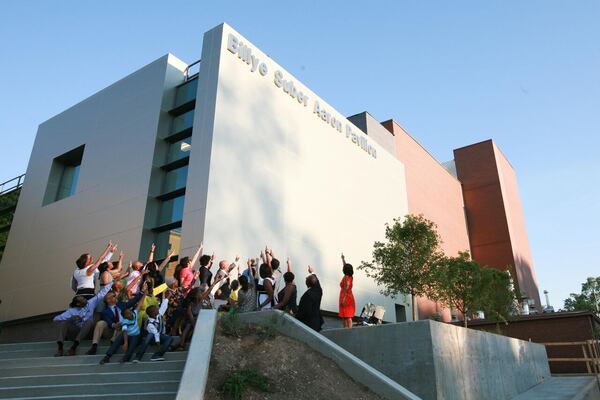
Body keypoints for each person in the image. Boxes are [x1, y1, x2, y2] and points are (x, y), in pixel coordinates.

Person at [53, 283, 113, 356]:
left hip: (87, 331)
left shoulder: (90, 303)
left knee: (88, 322)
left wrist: (112, 282)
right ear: (78, 304)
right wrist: (71, 319)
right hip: (75, 331)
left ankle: (74, 347)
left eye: (84, 298)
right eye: (82, 299)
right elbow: (55, 320)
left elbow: (101, 293)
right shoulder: (71, 311)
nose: (85, 300)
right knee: (64, 322)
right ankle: (60, 348)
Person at [100, 284, 147, 364]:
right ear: (124, 316)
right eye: (109, 298)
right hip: (121, 332)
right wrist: (125, 342)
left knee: (133, 342)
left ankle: (126, 358)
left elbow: (138, 303)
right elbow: (124, 332)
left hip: (135, 336)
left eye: (113, 296)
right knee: (121, 338)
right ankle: (107, 356)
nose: (129, 313)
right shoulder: (125, 320)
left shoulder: (133, 312)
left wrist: (144, 293)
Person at [86, 289, 144, 355]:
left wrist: (142, 292)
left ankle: (114, 343)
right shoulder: (105, 311)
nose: (112, 298)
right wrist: (114, 325)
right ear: (106, 301)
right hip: (111, 331)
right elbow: (108, 321)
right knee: (100, 323)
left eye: (113, 296)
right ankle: (94, 346)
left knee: (122, 324)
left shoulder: (121, 305)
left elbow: (133, 301)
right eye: (109, 298)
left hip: (123, 330)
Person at [134, 292, 175, 362]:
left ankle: (157, 355)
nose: (158, 309)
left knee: (170, 338)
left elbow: (163, 306)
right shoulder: (150, 324)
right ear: (153, 313)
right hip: (152, 339)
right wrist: (158, 343)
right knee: (150, 335)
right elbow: (155, 333)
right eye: (156, 309)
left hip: (160, 336)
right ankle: (138, 356)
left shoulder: (158, 315)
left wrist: (168, 297)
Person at [296, 265, 324, 332]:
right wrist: (312, 272)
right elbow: (317, 283)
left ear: (308, 284)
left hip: (308, 324)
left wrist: (296, 317)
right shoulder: (319, 291)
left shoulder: (307, 295)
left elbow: (304, 311)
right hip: (317, 322)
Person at [339, 253, 356, 328]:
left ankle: (346, 329)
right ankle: (347, 329)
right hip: (349, 296)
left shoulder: (346, 278)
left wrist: (343, 299)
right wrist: (343, 259)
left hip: (345, 296)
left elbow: (346, 288)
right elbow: (345, 266)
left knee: (346, 316)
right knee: (347, 315)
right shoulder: (350, 277)